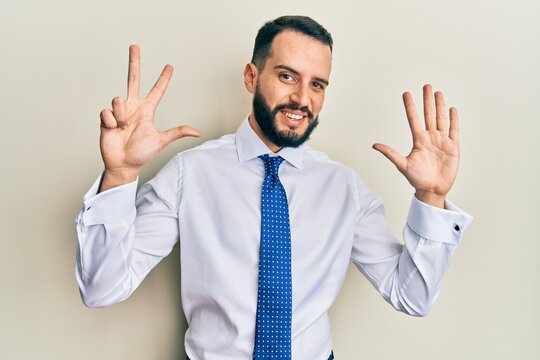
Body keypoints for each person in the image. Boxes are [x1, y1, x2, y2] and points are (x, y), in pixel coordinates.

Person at [76, 15, 472, 360]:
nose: (302, 98)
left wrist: (431, 197)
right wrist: (121, 175)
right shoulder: (189, 174)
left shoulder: (344, 187)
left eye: (317, 84)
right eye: (287, 76)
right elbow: (102, 288)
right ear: (252, 77)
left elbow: (412, 297)